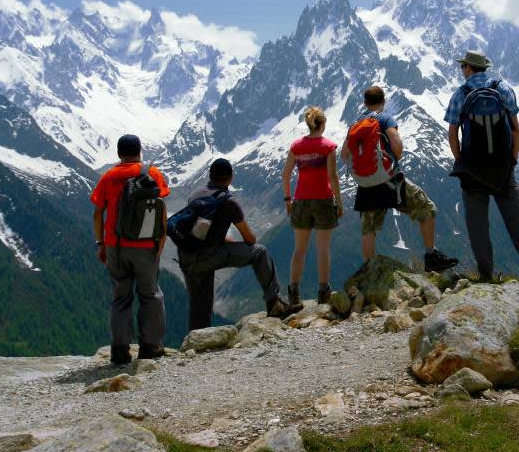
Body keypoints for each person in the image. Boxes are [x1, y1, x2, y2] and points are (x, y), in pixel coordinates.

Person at [445, 51, 519, 282]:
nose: (462, 70)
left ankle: (486, 274)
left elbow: (452, 134)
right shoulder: (504, 89)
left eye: (463, 67)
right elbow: (516, 128)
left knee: (478, 225)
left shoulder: (461, 94)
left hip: (472, 170)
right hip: (503, 168)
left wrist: (461, 161)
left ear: (469, 68)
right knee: (516, 219)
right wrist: (512, 159)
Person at [341, 86, 458, 272]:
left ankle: (369, 271)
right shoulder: (385, 118)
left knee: (368, 230)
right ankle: (431, 256)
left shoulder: (356, 124)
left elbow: (344, 154)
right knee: (427, 208)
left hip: (365, 185)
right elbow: (397, 146)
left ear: (364, 103)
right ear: (383, 101)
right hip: (391, 181)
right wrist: (393, 158)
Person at [177, 158, 301, 330]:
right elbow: (250, 239)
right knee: (260, 252)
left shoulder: (195, 194)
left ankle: (197, 338)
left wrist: (222, 240)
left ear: (210, 175)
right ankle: (275, 303)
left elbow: (200, 229)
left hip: (187, 255)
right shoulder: (228, 201)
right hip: (210, 255)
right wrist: (234, 245)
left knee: (200, 301)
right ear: (230, 177)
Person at [91, 134, 169, 365]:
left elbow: (98, 213)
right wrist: (160, 241)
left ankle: (120, 350)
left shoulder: (108, 177)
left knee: (120, 298)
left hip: (115, 246)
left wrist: (101, 243)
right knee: (150, 296)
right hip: (145, 245)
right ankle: (150, 347)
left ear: (118, 154)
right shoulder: (151, 174)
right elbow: (161, 206)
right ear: (140, 151)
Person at [281, 106, 342, 306]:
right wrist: (339, 202)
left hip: (301, 200)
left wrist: (288, 199)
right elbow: (333, 177)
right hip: (324, 200)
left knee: (299, 250)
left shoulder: (296, 146)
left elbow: (286, 175)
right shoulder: (329, 147)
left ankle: (293, 293)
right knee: (323, 249)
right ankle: (323, 292)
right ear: (322, 124)